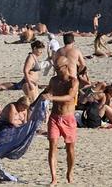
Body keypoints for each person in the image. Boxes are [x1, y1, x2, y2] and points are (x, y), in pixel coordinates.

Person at [40, 56, 79, 185]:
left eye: (58, 68)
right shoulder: (54, 80)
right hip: (54, 117)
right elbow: (46, 92)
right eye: (55, 68)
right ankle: (54, 178)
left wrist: (52, 98)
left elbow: (69, 97)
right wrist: (34, 104)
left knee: (70, 149)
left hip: (68, 118)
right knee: (52, 146)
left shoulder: (73, 82)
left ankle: (69, 172)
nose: (56, 71)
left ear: (66, 67)